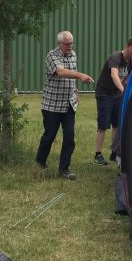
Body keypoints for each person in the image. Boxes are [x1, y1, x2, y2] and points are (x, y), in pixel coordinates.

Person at [36, 31, 94, 180]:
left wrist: (75, 91)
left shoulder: (73, 55)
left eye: (71, 43)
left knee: (69, 137)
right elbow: (61, 72)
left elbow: (70, 77)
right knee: (49, 136)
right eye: (67, 44)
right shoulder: (52, 56)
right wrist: (81, 75)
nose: (70, 46)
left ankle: (64, 169)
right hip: (52, 105)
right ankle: (40, 162)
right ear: (59, 43)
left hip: (69, 104)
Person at [94, 37, 132, 165]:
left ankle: (114, 152)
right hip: (104, 94)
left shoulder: (131, 62)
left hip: (117, 95)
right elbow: (114, 75)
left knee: (116, 125)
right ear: (127, 46)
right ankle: (98, 155)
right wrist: (123, 90)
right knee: (103, 125)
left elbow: (130, 79)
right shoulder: (115, 57)